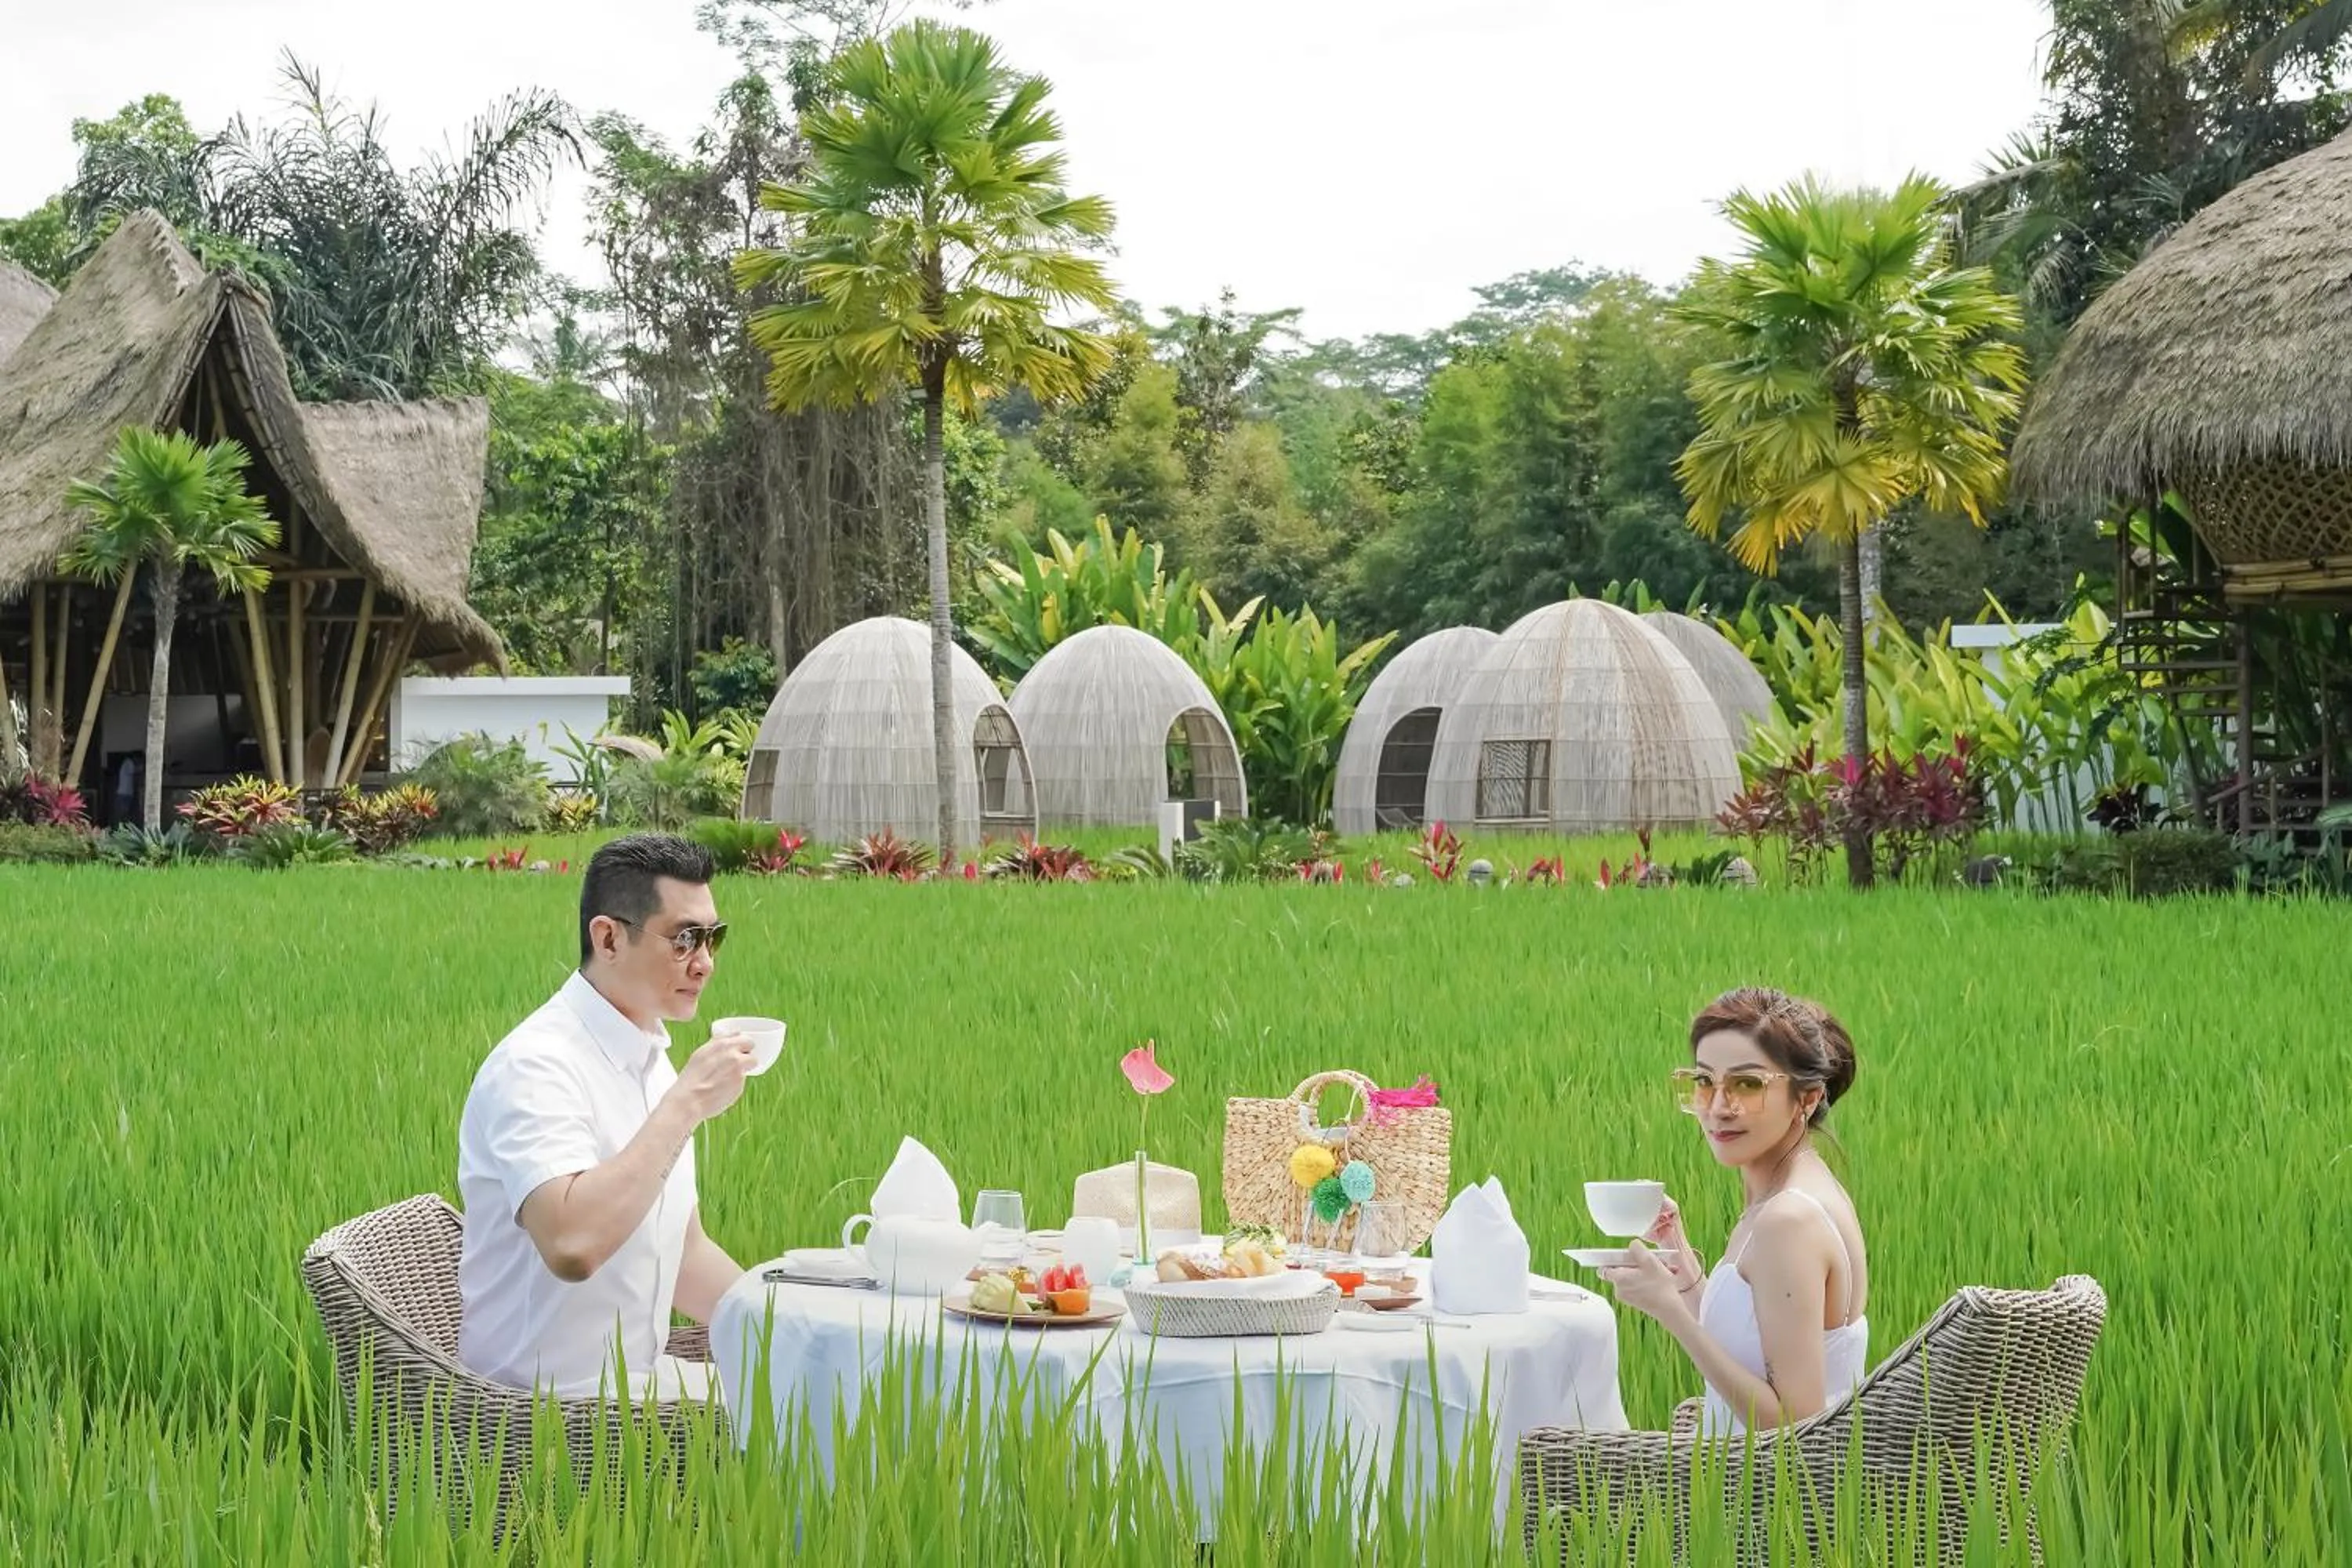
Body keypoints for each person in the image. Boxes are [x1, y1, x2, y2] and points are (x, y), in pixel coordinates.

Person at [456, 832, 757, 1402]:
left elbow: (684, 1253)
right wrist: (686, 1105)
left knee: (827, 1388)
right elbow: (572, 1244)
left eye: (712, 937)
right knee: (811, 1419)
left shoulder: (651, 1058)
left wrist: (785, 1322)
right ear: (609, 938)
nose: (705, 963)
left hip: (637, 1382)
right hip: (544, 1404)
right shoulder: (536, 1065)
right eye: (684, 939)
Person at [1599, 987, 1867, 1437]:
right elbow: (1753, 1340)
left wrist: (1671, 1313)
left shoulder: (1789, 1221)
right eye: (1705, 1082)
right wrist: (1680, 1263)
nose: (1719, 1108)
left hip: (1763, 1481)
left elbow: (1796, 1427)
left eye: (1748, 1084)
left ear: (1806, 1098)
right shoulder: (1789, 1193)